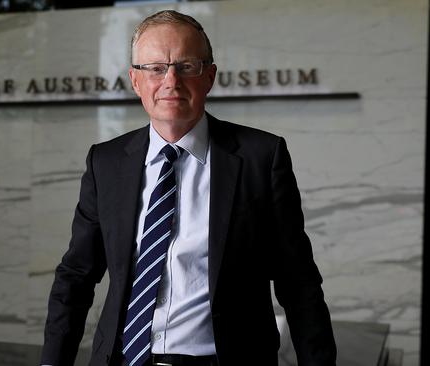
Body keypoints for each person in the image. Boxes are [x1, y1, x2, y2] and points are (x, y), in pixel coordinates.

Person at [41, 10, 336, 366]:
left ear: (209, 76)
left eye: (187, 66)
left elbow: (298, 281)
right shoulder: (106, 162)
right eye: (154, 68)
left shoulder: (261, 158)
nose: (171, 81)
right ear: (136, 81)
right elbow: (75, 277)